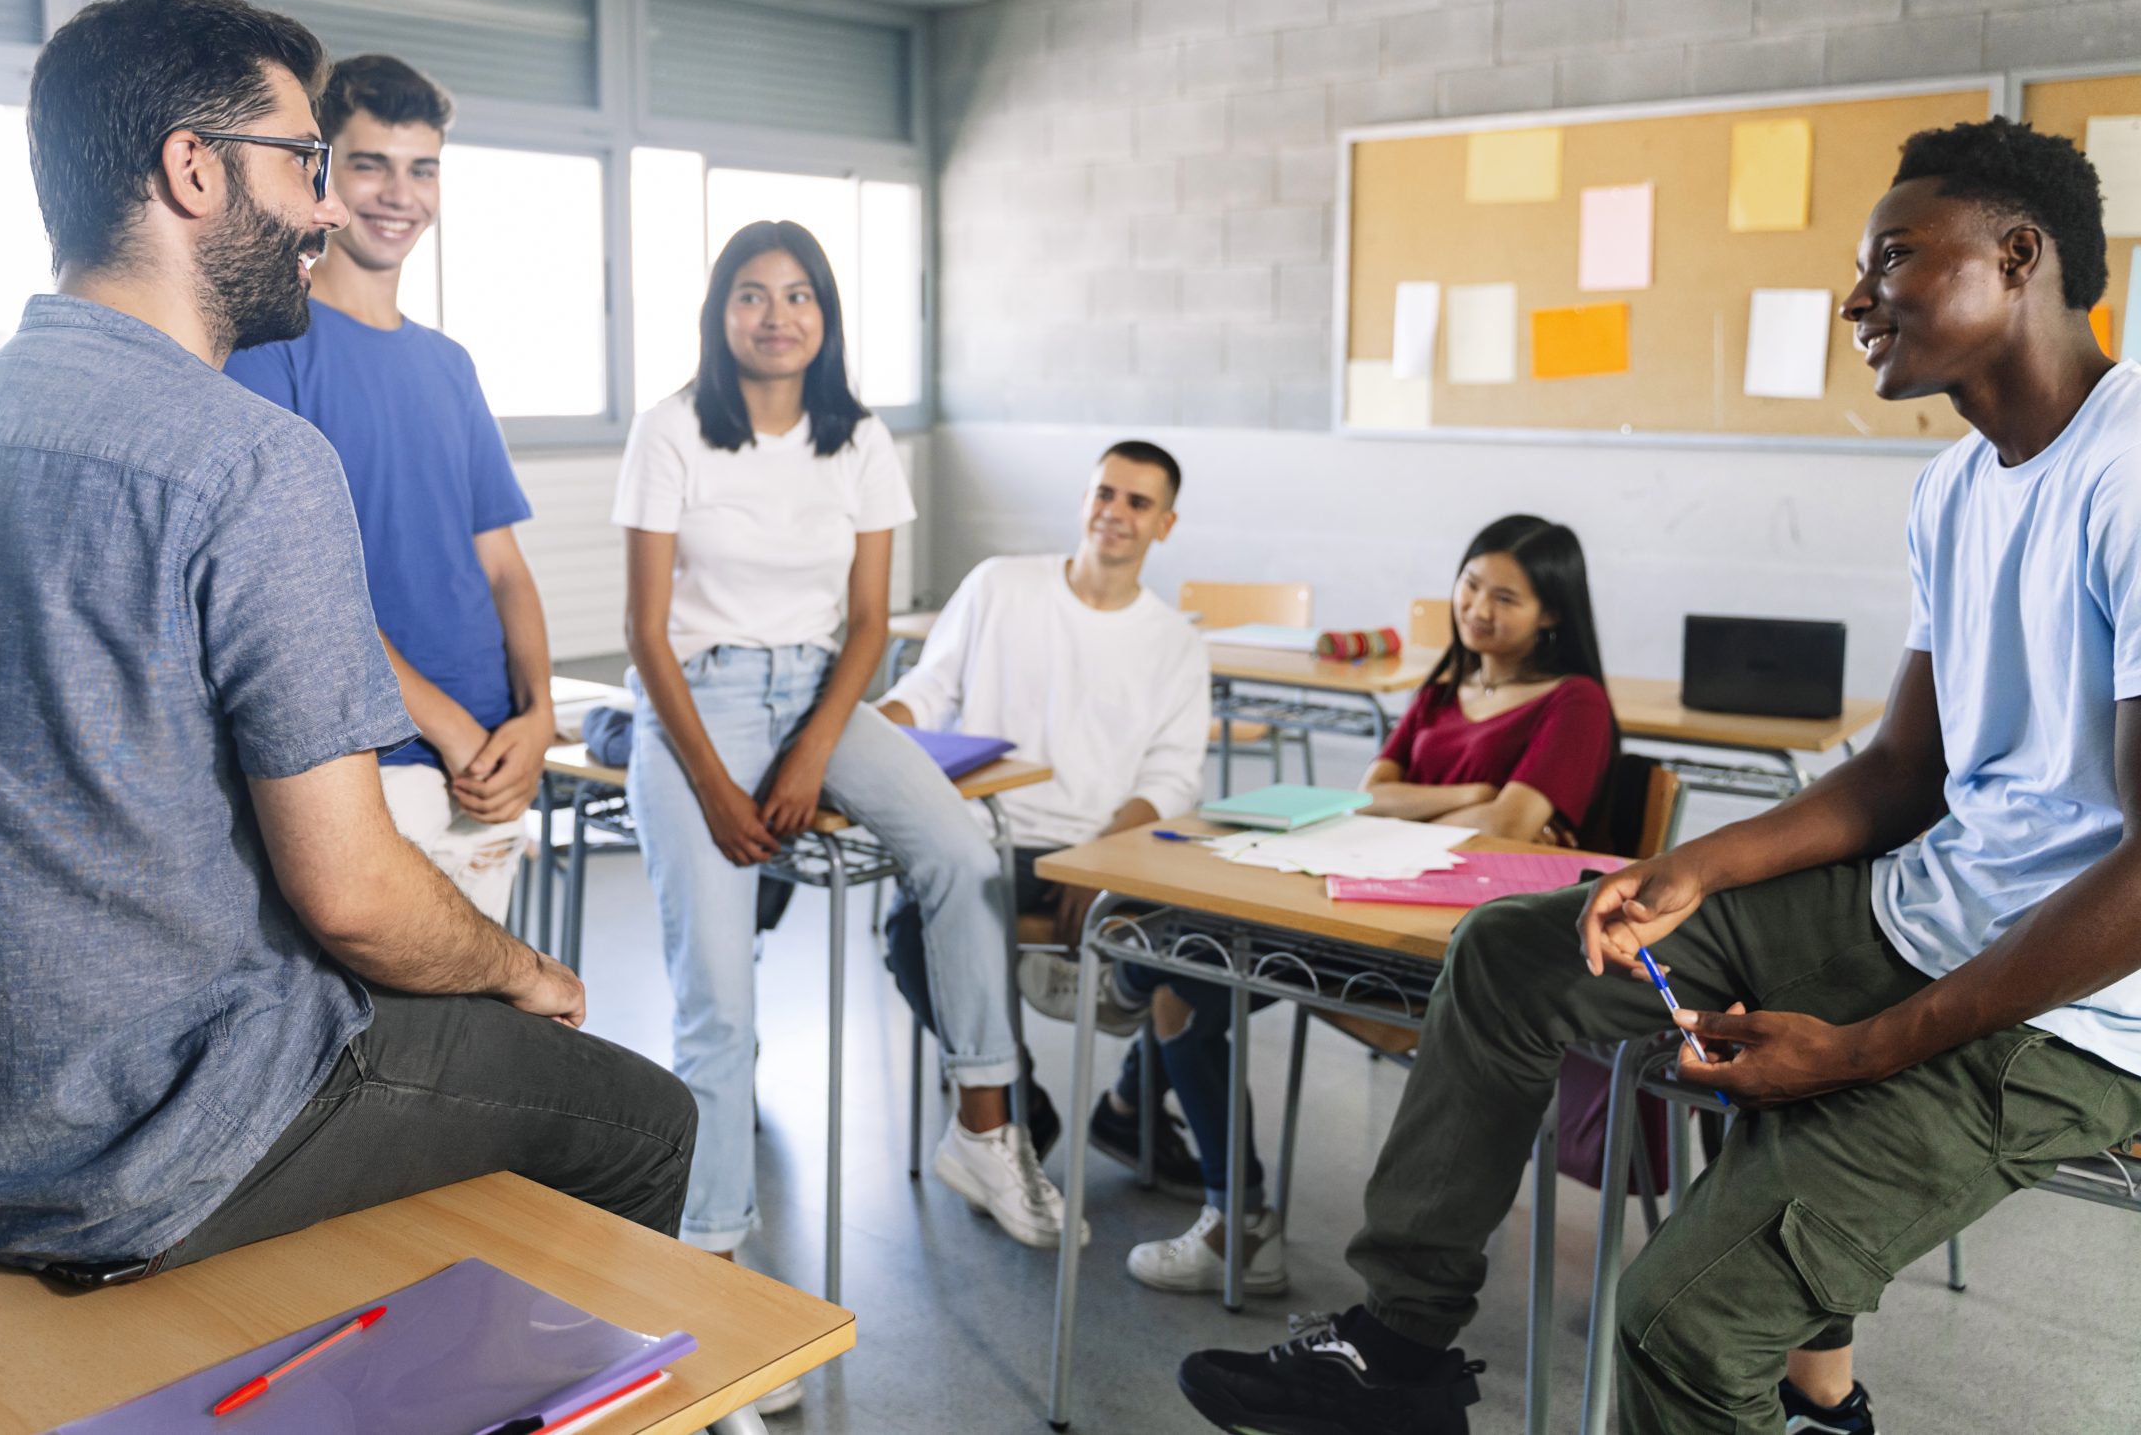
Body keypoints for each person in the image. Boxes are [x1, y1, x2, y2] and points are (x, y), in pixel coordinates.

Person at [1178, 114, 2141, 1435]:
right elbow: (1904, 773)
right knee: (1522, 950)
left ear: (2020, 254)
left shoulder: (2133, 468)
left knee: (1680, 1320)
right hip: (1929, 907)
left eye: (1893, 258)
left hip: (2085, 1008)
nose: (1857, 298)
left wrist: (1859, 1050)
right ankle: (1399, 1350)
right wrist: (1691, 863)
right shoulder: (1955, 488)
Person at [0, 0, 694, 1280]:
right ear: (193, 169)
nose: (331, 206)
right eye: (305, 163)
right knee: (639, 1115)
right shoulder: (250, 455)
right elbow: (352, 892)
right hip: (138, 1134)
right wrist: (519, 968)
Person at [616, 219, 1077, 1272]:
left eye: (798, 296)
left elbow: (870, 623)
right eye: (751, 294)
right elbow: (647, 632)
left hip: (823, 692)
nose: (775, 316)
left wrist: (814, 753)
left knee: (962, 858)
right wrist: (716, 789)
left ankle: (983, 1129)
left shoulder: (859, 438)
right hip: (700, 699)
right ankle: (716, 1265)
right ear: (718, 311)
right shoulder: (672, 428)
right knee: (719, 1011)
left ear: (825, 316)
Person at [1128, 516, 1615, 1298]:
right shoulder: (1443, 686)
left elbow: (1514, 825)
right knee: (1183, 968)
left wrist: (1449, 810)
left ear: (1552, 612)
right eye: (1470, 585)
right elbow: (1369, 793)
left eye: (1506, 597)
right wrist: (1470, 792)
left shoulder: (1576, 701)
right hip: (1369, 909)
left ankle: (1148, 1108)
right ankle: (1237, 1218)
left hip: (1459, 954)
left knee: (1177, 966)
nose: (1478, 608)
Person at [226, 54, 551, 923]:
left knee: (489, 1032)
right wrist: (448, 728)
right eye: (370, 163)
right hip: (375, 760)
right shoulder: (270, 354)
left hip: (489, 756)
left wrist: (537, 714)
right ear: (321, 171)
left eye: (423, 169)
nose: (398, 193)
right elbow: (302, 595)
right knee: (397, 1042)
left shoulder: (450, 366)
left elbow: (506, 568)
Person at [875, 440, 1213, 1177]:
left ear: (1167, 524)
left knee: (1198, 947)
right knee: (909, 927)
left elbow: (1172, 778)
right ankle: (1016, 1102)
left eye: (1137, 502)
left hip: (1101, 852)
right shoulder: (1002, 584)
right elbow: (928, 690)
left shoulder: (1176, 642)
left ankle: (1109, 1109)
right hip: (984, 841)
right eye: (1104, 493)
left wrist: (1099, 861)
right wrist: (863, 734)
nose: (1114, 513)